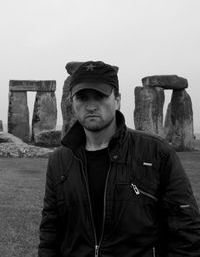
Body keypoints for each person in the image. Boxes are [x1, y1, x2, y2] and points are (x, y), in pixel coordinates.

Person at [38, 61, 200, 256]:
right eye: (82, 97)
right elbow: (51, 231)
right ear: (72, 103)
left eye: (100, 95)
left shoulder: (157, 152)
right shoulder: (59, 160)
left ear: (117, 100)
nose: (91, 106)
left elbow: (185, 230)